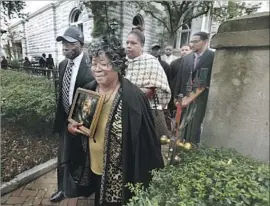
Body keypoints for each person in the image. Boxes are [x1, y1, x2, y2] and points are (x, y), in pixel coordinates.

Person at [67, 36, 164, 206]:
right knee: (98, 196)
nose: (97, 69)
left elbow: (146, 145)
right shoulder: (88, 91)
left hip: (120, 175)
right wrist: (73, 128)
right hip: (94, 167)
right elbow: (77, 124)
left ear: (117, 64)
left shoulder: (133, 98)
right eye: (94, 63)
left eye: (103, 64)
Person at [50, 26, 94, 203]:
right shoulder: (62, 65)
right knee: (63, 157)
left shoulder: (91, 65)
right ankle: (63, 189)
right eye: (63, 43)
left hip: (84, 122)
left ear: (80, 44)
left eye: (69, 43)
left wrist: (82, 122)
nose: (65, 47)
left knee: (85, 157)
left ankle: (86, 188)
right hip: (65, 121)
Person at [125, 27, 171, 139]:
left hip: (145, 112)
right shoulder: (121, 61)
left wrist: (129, 93)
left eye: (133, 43)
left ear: (141, 45)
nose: (128, 46)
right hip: (123, 112)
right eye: (127, 42)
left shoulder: (151, 62)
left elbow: (156, 90)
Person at [173, 32, 215, 143]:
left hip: (200, 99)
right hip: (183, 97)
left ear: (205, 42)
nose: (192, 44)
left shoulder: (213, 57)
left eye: (195, 41)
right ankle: (179, 148)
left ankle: (191, 149)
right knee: (181, 126)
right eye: (191, 41)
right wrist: (176, 97)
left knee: (195, 126)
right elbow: (179, 79)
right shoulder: (186, 58)